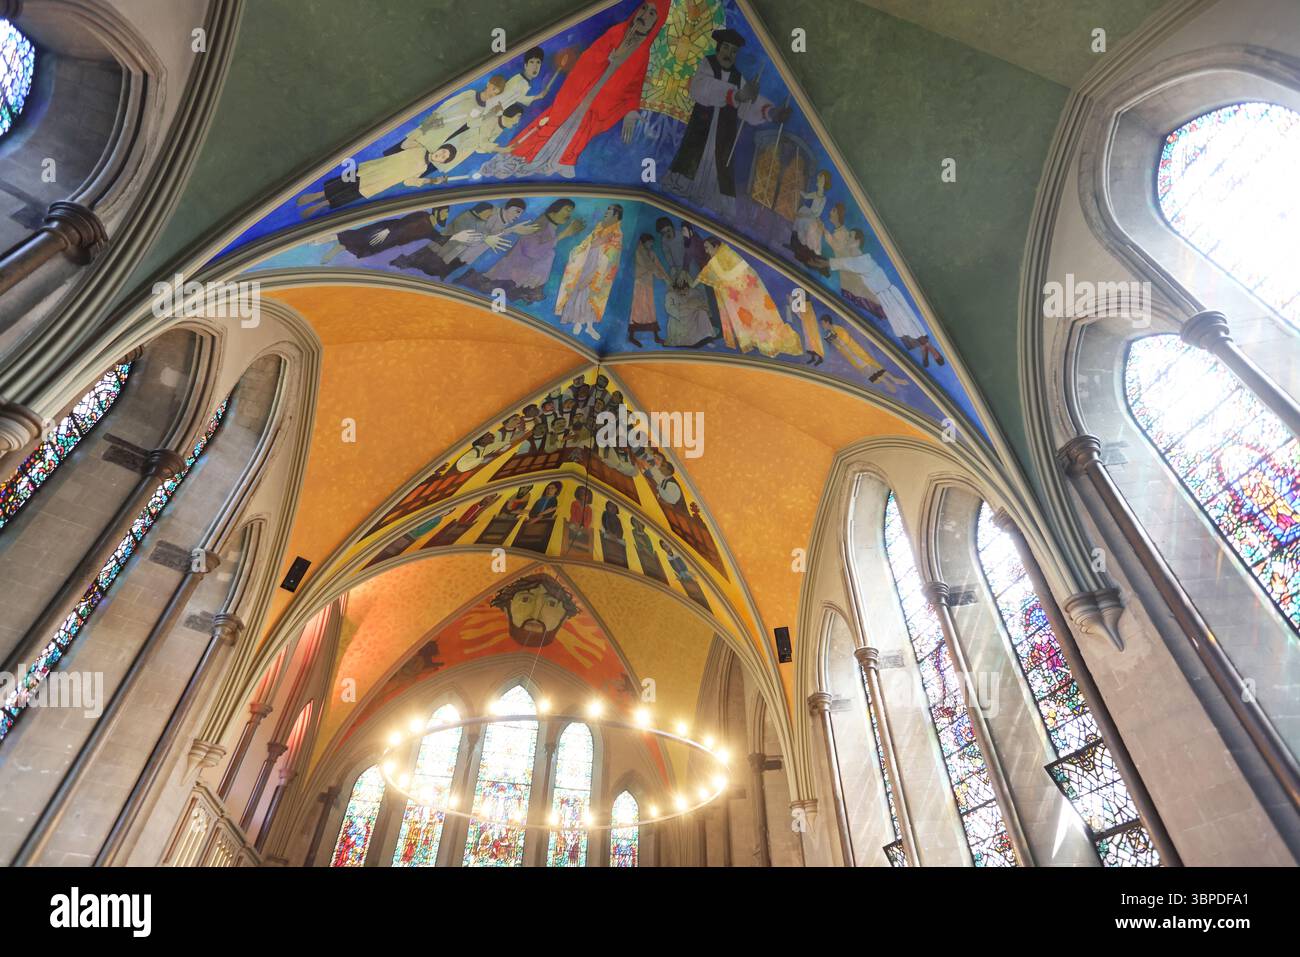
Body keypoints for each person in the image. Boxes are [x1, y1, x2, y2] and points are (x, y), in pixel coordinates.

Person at [479, 1, 668, 180]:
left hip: (598, 106)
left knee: (577, 136)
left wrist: (631, 110)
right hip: (579, 95)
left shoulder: (643, 53)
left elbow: (634, 85)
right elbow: (588, 59)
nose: (644, 15)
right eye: (644, 8)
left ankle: (557, 161)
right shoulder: (617, 33)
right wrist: (609, 60)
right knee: (552, 125)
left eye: (652, 13)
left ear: (656, 22)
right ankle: (522, 157)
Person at [664, 27, 791, 213]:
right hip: (702, 127)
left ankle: (709, 199)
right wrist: (736, 95)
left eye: (733, 51)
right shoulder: (707, 64)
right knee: (693, 159)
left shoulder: (737, 77)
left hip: (724, 132)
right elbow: (701, 88)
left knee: (720, 163)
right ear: (718, 48)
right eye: (726, 48)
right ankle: (684, 189)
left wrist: (772, 112)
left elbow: (749, 105)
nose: (729, 54)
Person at [818, 229, 944, 367]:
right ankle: (925, 348)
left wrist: (827, 263)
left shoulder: (863, 259)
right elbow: (846, 261)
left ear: (858, 242)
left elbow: (846, 263)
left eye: (850, 238)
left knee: (907, 323)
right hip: (883, 297)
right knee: (901, 325)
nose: (848, 240)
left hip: (888, 294)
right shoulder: (856, 259)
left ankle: (929, 348)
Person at [693, 237, 803, 357]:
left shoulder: (727, 253)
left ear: (716, 246)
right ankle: (763, 341)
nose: (707, 251)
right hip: (738, 297)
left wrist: (731, 284)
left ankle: (770, 341)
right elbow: (709, 275)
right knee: (749, 321)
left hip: (748, 293)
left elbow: (739, 271)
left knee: (760, 316)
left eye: (707, 247)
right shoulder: (715, 261)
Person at [464, 198, 583, 303]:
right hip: (509, 278)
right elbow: (532, 252)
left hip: (521, 281)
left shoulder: (550, 227)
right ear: (554, 211)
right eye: (567, 209)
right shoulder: (539, 225)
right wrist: (563, 235)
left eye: (571, 211)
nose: (569, 215)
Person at [295, 143, 456, 217]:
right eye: (443, 152)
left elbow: (409, 182)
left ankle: (320, 205)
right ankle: (317, 195)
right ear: (439, 148)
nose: (441, 155)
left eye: (444, 158)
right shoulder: (420, 148)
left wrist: (431, 181)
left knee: (348, 195)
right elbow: (405, 144)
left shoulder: (422, 169)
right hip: (373, 170)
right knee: (344, 183)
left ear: (441, 162)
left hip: (378, 183)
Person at [556, 204, 624, 339]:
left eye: (609, 211)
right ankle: (577, 322)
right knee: (578, 289)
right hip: (587, 261)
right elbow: (588, 243)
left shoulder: (617, 233)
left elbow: (613, 255)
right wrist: (591, 245)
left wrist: (599, 245)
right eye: (607, 209)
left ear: (616, 215)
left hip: (600, 266)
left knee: (591, 294)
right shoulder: (600, 227)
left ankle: (589, 326)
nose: (606, 212)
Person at [628, 233, 668, 346]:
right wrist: (659, 273)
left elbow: (659, 266)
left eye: (652, 242)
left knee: (650, 309)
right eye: (650, 242)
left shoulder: (651, 253)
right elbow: (649, 265)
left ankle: (656, 336)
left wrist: (666, 278)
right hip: (640, 284)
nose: (651, 244)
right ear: (644, 242)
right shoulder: (639, 252)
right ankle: (631, 336)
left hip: (648, 284)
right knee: (637, 309)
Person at [790, 170, 832, 275]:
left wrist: (804, 215)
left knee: (807, 223)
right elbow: (806, 196)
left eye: (821, 179)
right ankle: (799, 245)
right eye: (818, 179)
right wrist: (798, 189)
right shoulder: (816, 194)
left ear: (824, 182)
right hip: (809, 215)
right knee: (802, 216)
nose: (818, 181)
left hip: (813, 217)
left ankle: (810, 254)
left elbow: (817, 213)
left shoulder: (823, 198)